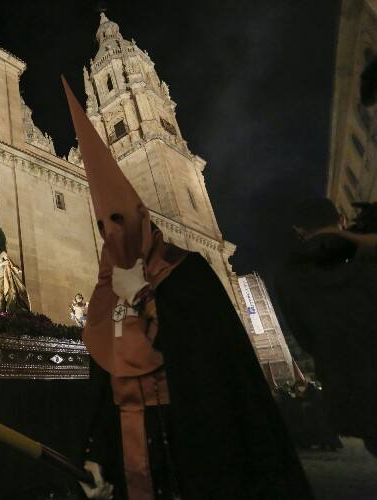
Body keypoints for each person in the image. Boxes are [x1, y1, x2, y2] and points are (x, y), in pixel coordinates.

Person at [62, 77, 312, 500]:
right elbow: (104, 381)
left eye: (120, 221)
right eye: (105, 226)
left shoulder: (187, 271)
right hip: (132, 454)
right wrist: (96, 452)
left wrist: (144, 298)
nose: (113, 234)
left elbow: (216, 367)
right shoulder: (107, 291)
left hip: (200, 448)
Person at [276, 197, 377, 457]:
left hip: (352, 389)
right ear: (342, 218)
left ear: (298, 230)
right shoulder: (366, 251)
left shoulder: (288, 277)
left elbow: (305, 338)